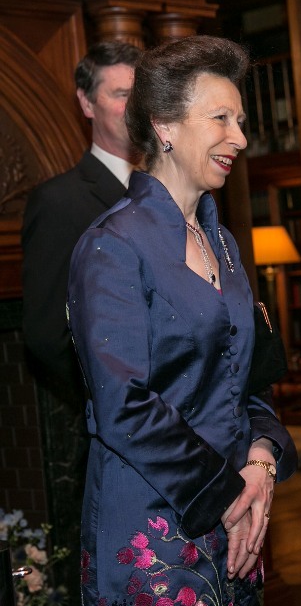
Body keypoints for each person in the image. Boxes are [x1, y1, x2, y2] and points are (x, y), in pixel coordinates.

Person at [67, 35, 296, 606]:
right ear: (163, 125)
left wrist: (262, 461)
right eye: (220, 118)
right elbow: (124, 407)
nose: (240, 138)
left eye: (240, 121)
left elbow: (250, 379)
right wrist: (229, 493)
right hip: (154, 527)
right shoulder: (112, 245)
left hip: (237, 519)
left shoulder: (224, 244)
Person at [20, 40, 142, 599]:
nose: (133, 106)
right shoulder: (60, 201)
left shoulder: (176, 191)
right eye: (120, 94)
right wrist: (112, 402)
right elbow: (45, 334)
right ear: (86, 104)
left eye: (142, 93)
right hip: (113, 440)